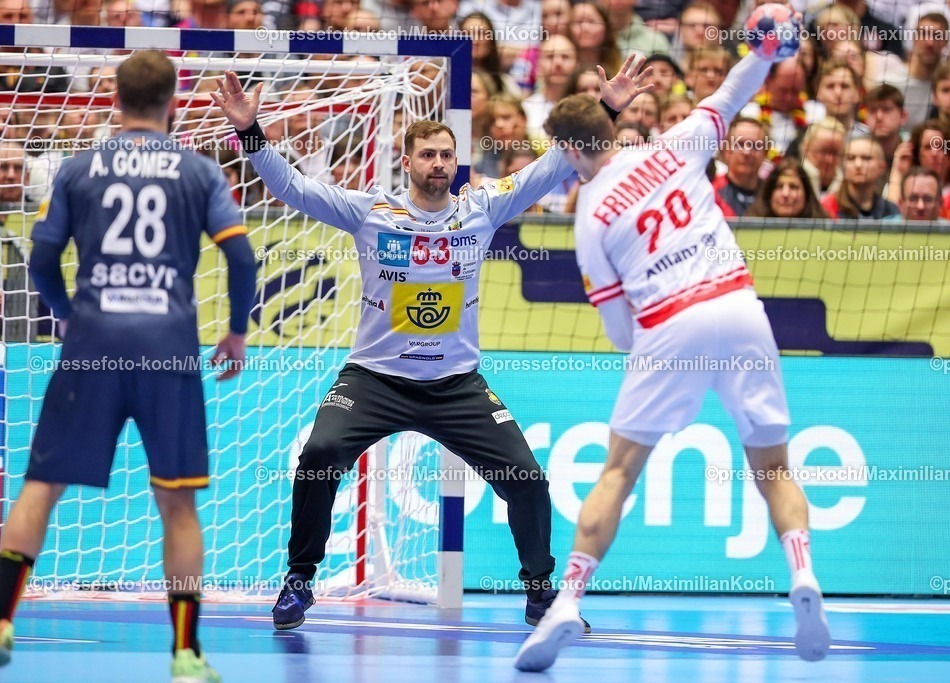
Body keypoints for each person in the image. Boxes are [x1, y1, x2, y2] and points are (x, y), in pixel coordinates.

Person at [211, 55, 654, 633]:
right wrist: (249, 131)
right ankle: (299, 582)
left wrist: (608, 107)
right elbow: (290, 186)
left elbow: (555, 166)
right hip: (374, 380)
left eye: (447, 154)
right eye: (428, 154)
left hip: (456, 386)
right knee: (318, 460)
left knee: (527, 479)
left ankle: (541, 595)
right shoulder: (371, 211)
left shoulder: (482, 208)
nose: (440, 163)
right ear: (408, 161)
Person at [515, 48, 831, 672]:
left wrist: (661, 362)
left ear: (572, 153)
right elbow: (734, 93)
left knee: (617, 472)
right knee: (773, 466)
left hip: (668, 324)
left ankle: (565, 603)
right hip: (739, 306)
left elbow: (618, 329)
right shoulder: (674, 145)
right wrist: (765, 48)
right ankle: (803, 571)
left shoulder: (589, 215)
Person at [0, 50, 257, 683]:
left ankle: (2, 620)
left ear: (113, 98)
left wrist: (64, 315)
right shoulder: (199, 171)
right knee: (177, 503)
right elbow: (244, 259)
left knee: (41, 485)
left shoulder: (76, 168)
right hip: (168, 347)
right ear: (173, 101)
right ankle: (185, 652)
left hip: (92, 342)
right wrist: (235, 332)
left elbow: (41, 257)